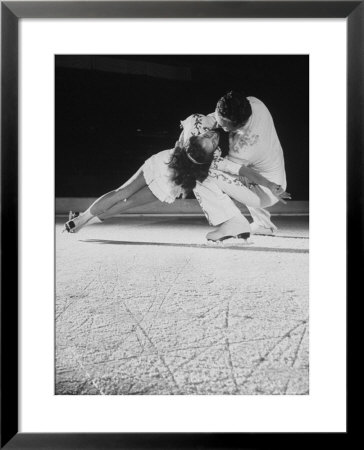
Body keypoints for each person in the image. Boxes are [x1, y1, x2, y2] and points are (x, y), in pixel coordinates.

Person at [63, 114, 252, 239]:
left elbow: (225, 166)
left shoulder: (204, 140)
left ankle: (82, 220)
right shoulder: (205, 142)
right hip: (164, 169)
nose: (213, 137)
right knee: (123, 195)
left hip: (168, 177)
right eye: (210, 137)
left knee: (124, 199)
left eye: (214, 139)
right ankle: (82, 220)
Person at [193, 91, 289, 241]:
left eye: (226, 127)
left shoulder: (243, 148)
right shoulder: (255, 103)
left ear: (239, 125)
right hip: (276, 179)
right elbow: (214, 118)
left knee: (200, 170)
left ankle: (233, 222)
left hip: (266, 192)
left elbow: (225, 167)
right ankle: (263, 224)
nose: (222, 128)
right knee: (251, 169)